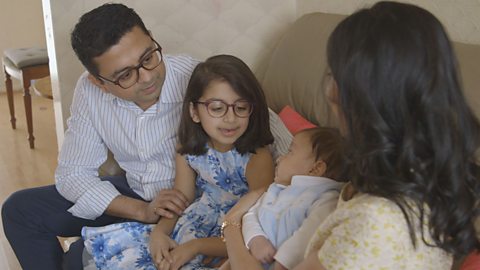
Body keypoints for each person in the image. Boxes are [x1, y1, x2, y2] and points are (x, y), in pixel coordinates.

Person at [1, 4, 291, 270]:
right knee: (19, 211)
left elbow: (265, 126)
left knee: (78, 261)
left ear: (151, 38)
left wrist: (312, 176)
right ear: (99, 82)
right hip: (134, 194)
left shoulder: (197, 77)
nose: (147, 77)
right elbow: (73, 174)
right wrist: (142, 210)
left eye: (148, 57)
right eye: (125, 75)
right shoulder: (89, 92)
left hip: (191, 204)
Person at [221, 2, 480, 270]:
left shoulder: (376, 223)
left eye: (334, 73)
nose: (328, 88)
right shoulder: (418, 179)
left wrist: (231, 226)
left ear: (361, 98)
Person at [81, 54, 275, 270]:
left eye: (241, 107)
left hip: (233, 238)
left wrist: (196, 247)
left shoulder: (257, 159)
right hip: (192, 225)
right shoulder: (188, 148)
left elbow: (256, 226)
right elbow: (181, 197)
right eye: (217, 108)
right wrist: (160, 233)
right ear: (194, 112)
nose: (230, 118)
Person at [220, 127, 346, 270]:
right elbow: (251, 214)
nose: (280, 158)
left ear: (315, 169)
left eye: (290, 152)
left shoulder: (326, 198)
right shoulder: (276, 190)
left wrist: (282, 263)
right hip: (252, 256)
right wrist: (255, 239)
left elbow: (306, 238)